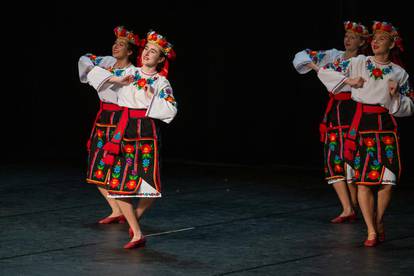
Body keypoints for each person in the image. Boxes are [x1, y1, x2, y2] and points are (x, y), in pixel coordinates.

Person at [318, 21, 414, 246]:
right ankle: (371, 231)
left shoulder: (399, 73)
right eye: (374, 38)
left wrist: (396, 96)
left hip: (385, 127)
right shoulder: (360, 62)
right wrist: (348, 80)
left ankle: (378, 221)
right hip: (361, 126)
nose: (376, 42)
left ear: (392, 44)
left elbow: (410, 106)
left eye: (382, 39)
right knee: (363, 182)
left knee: (387, 181)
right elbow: (327, 71)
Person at [293, 21, 370, 223]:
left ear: (362, 42)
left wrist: (320, 70)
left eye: (353, 37)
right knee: (334, 156)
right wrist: (312, 65)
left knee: (351, 157)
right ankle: (347, 208)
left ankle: (355, 207)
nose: (347, 39)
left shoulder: (363, 60)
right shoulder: (334, 55)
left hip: (354, 109)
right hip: (335, 110)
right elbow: (301, 56)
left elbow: (353, 81)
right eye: (346, 35)